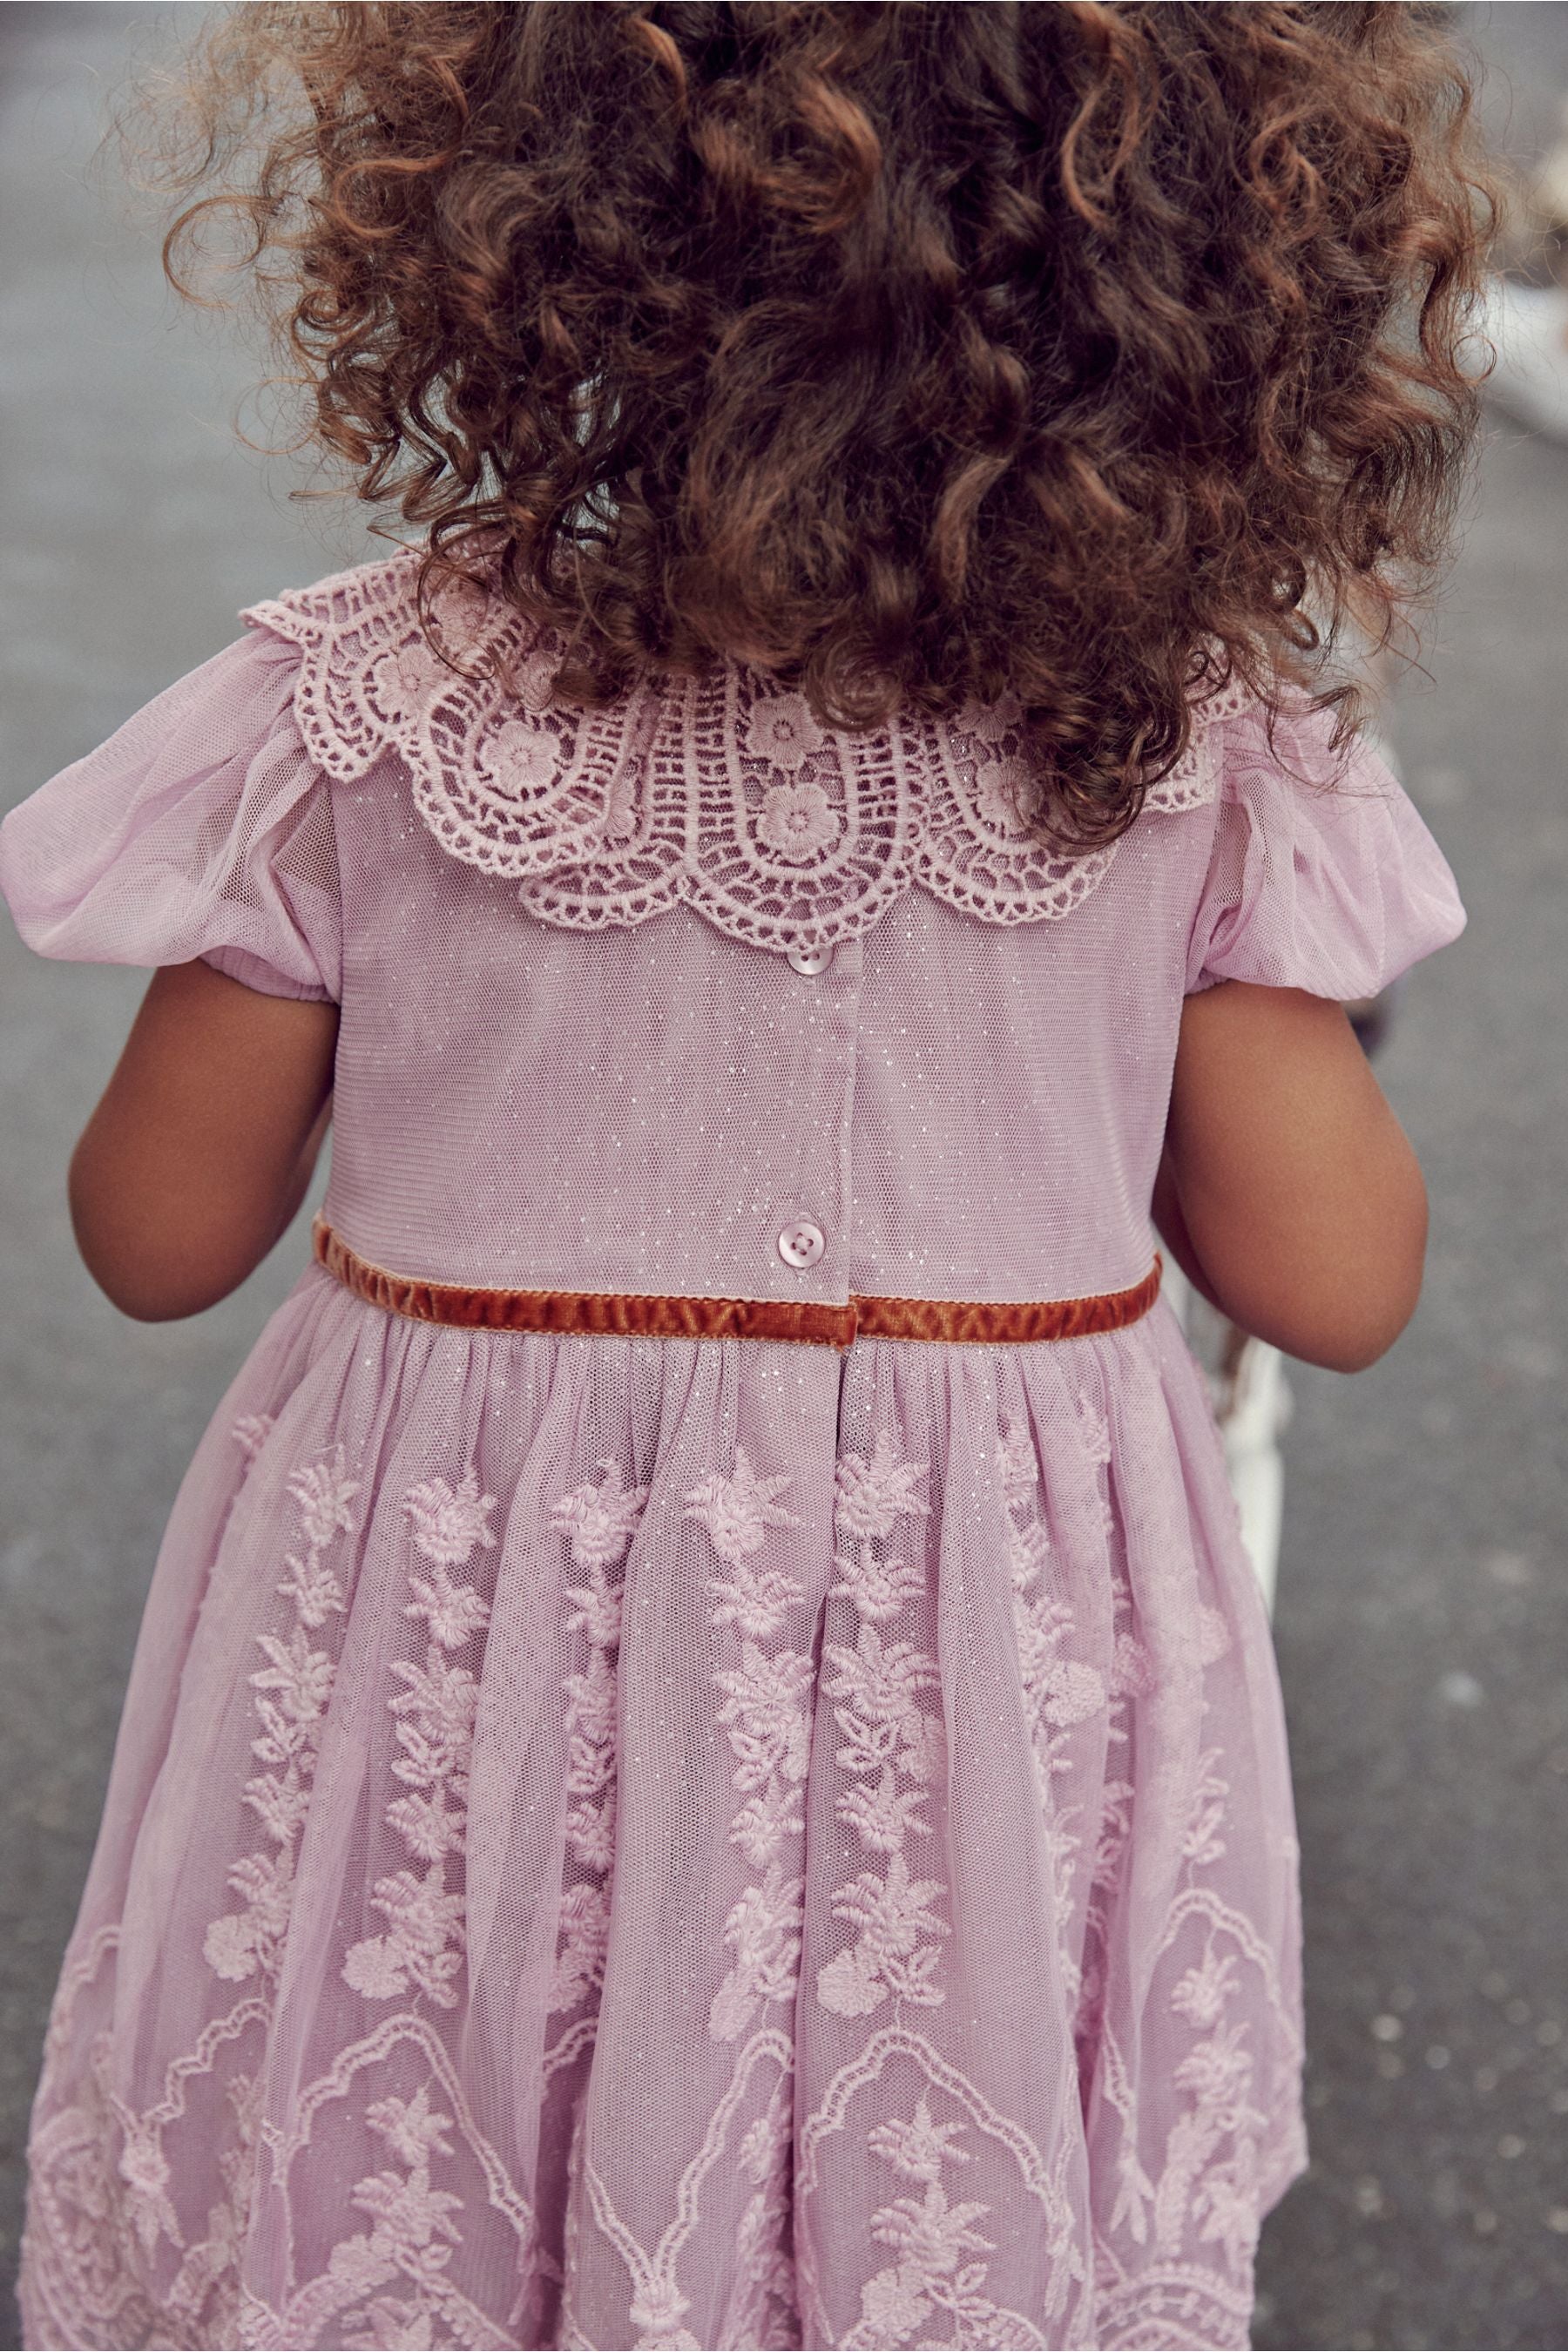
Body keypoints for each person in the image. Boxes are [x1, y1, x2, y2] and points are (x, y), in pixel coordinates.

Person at [0, 6, 1491, 2346]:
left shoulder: (373, 704)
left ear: (525, 243)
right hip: (964, 1677)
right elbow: (1341, 1273)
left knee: (439, 2181)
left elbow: (154, 1231)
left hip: (460, 1656)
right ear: (1185, 301)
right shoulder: (1179, 742)